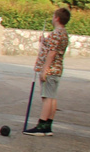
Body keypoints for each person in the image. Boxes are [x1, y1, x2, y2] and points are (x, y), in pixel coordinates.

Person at [25, 8, 71, 136]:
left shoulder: (56, 33)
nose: (52, 18)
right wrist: (45, 41)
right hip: (57, 68)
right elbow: (54, 47)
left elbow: (52, 52)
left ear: (57, 18)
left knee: (47, 97)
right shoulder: (63, 33)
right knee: (52, 96)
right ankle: (48, 125)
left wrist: (45, 69)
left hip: (50, 69)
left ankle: (41, 125)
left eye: (53, 16)